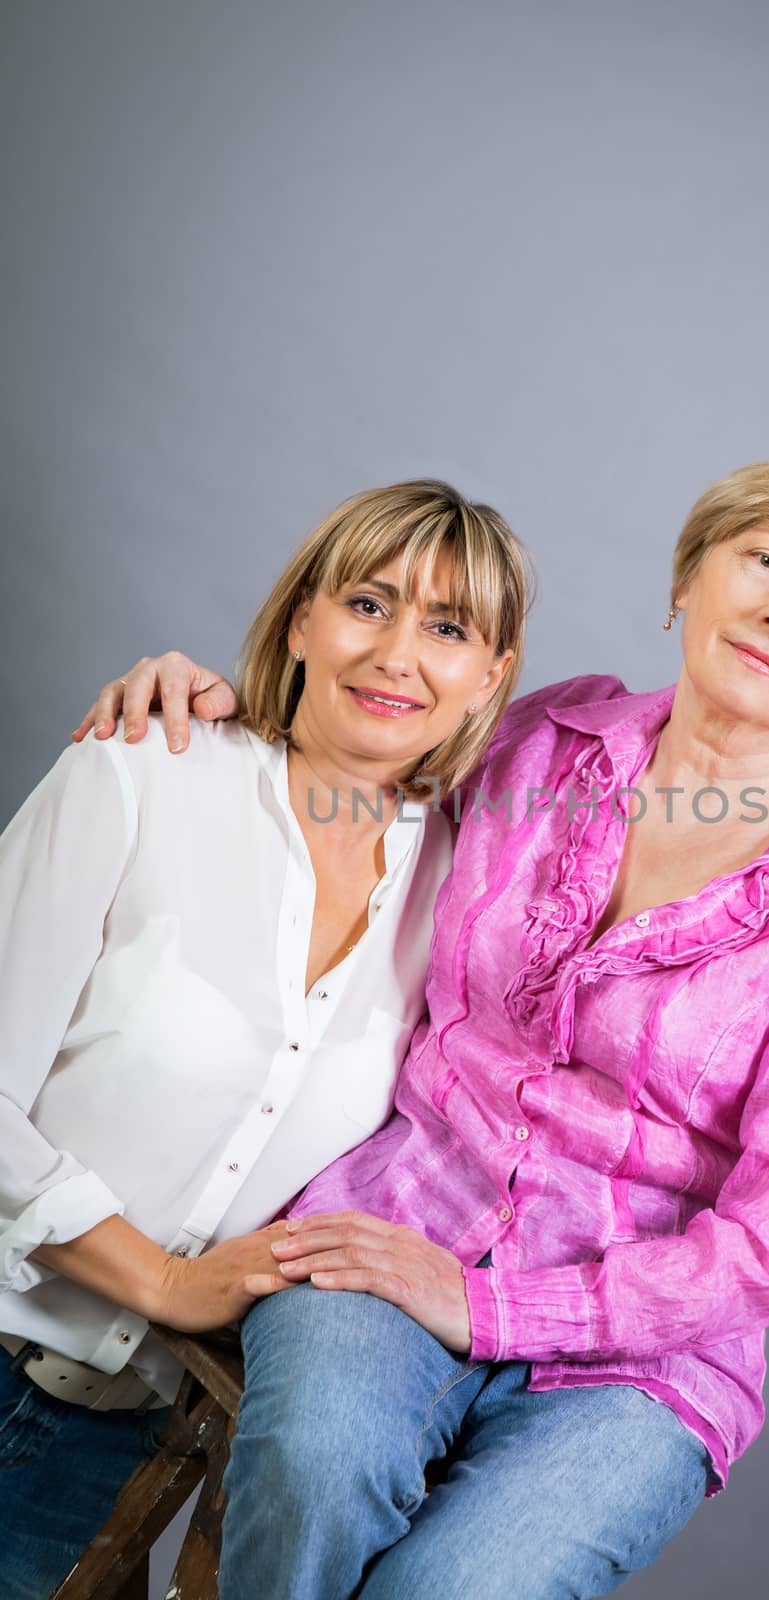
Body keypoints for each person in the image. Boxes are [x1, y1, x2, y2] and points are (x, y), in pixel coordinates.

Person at [84, 456, 769, 1600]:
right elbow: (360, 764)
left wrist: (492, 1305)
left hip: (643, 1356)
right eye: (764, 561)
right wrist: (220, 709)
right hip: (394, 1229)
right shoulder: (541, 743)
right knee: (313, 1466)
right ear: (686, 581)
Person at [0, 480, 528, 1600]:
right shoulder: (142, 770)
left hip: (128, 1439)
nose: (396, 653)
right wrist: (163, 1279)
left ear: (491, 676)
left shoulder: (465, 895)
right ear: (300, 620)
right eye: (367, 604)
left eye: (446, 629)